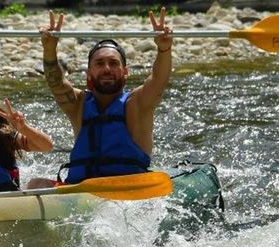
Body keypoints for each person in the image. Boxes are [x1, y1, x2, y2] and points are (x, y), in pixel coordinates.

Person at [29, 7, 173, 188]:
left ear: (125, 72)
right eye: (99, 63)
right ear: (89, 73)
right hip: (81, 191)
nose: (106, 69)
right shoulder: (78, 105)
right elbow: (56, 84)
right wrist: (49, 50)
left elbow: (159, 80)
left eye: (113, 63)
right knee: (35, 184)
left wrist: (164, 49)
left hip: (129, 190)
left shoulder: (137, 104)